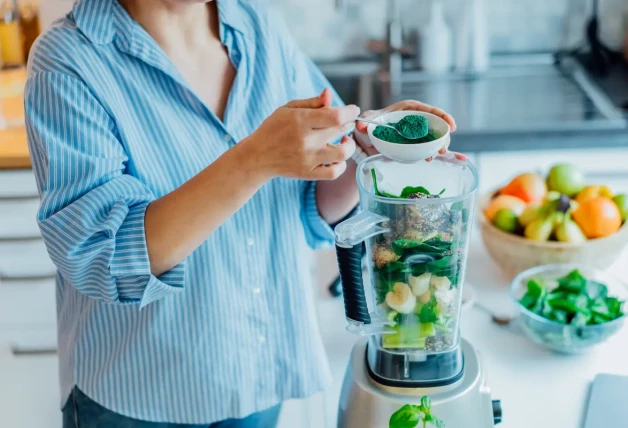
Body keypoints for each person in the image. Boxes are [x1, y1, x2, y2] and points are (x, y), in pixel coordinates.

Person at [24, 0, 459, 427]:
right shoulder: (66, 61)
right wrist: (253, 159)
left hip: (258, 374)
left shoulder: (256, 24)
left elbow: (309, 206)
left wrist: (362, 153)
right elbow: (104, 256)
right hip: (139, 398)